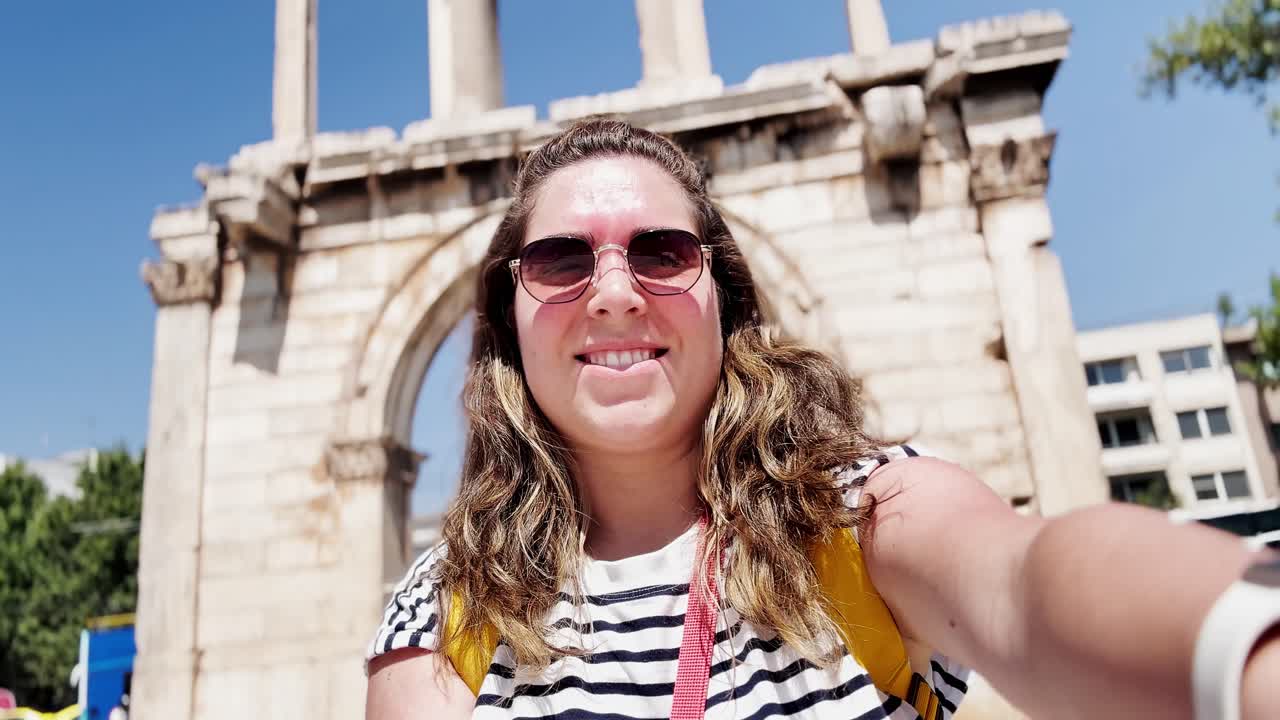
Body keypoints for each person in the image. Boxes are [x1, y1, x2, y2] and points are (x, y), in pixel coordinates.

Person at [365, 119, 1279, 719]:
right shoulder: (444, 607)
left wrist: (1243, 642)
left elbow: (1025, 580)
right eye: (562, 260)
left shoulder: (857, 519)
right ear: (509, 314)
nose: (612, 293)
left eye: (662, 251)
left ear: (721, 297)